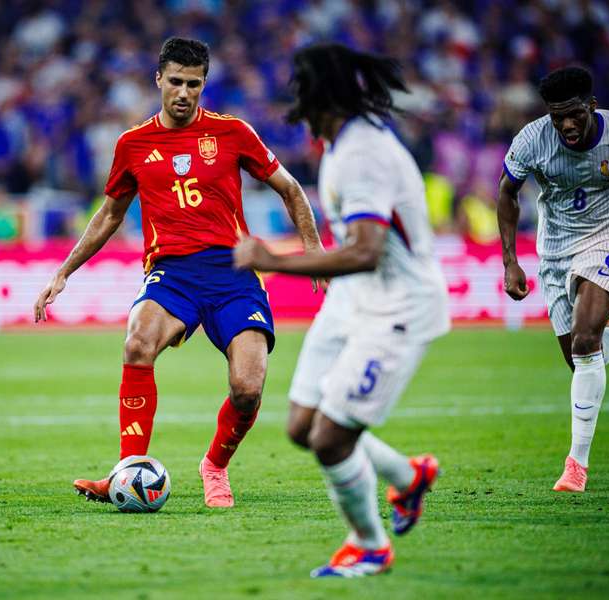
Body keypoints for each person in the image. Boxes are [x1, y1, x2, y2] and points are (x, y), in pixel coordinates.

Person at [33, 37, 323, 508]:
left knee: (248, 388)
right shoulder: (133, 143)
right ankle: (128, 472)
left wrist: (313, 248)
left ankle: (215, 466)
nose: (184, 93)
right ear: (158, 80)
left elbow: (290, 188)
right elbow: (109, 214)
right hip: (173, 274)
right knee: (136, 343)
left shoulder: (232, 133)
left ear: (204, 83)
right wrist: (64, 271)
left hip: (234, 275)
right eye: (175, 82)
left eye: (193, 84)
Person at [234, 43, 450, 578]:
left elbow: (367, 249)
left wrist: (273, 259)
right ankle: (408, 477)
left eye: (301, 87)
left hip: (398, 306)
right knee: (302, 426)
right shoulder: (340, 145)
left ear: (320, 95)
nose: (294, 98)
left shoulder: (362, 155)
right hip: (358, 299)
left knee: (331, 438)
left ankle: (370, 545)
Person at [498, 66, 609, 493]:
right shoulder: (532, 140)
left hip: (608, 238)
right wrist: (510, 261)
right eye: (557, 116)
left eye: (574, 115)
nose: (566, 125)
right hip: (555, 250)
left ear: (591, 106)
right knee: (581, 357)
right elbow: (506, 193)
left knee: (584, 342)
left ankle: (576, 466)